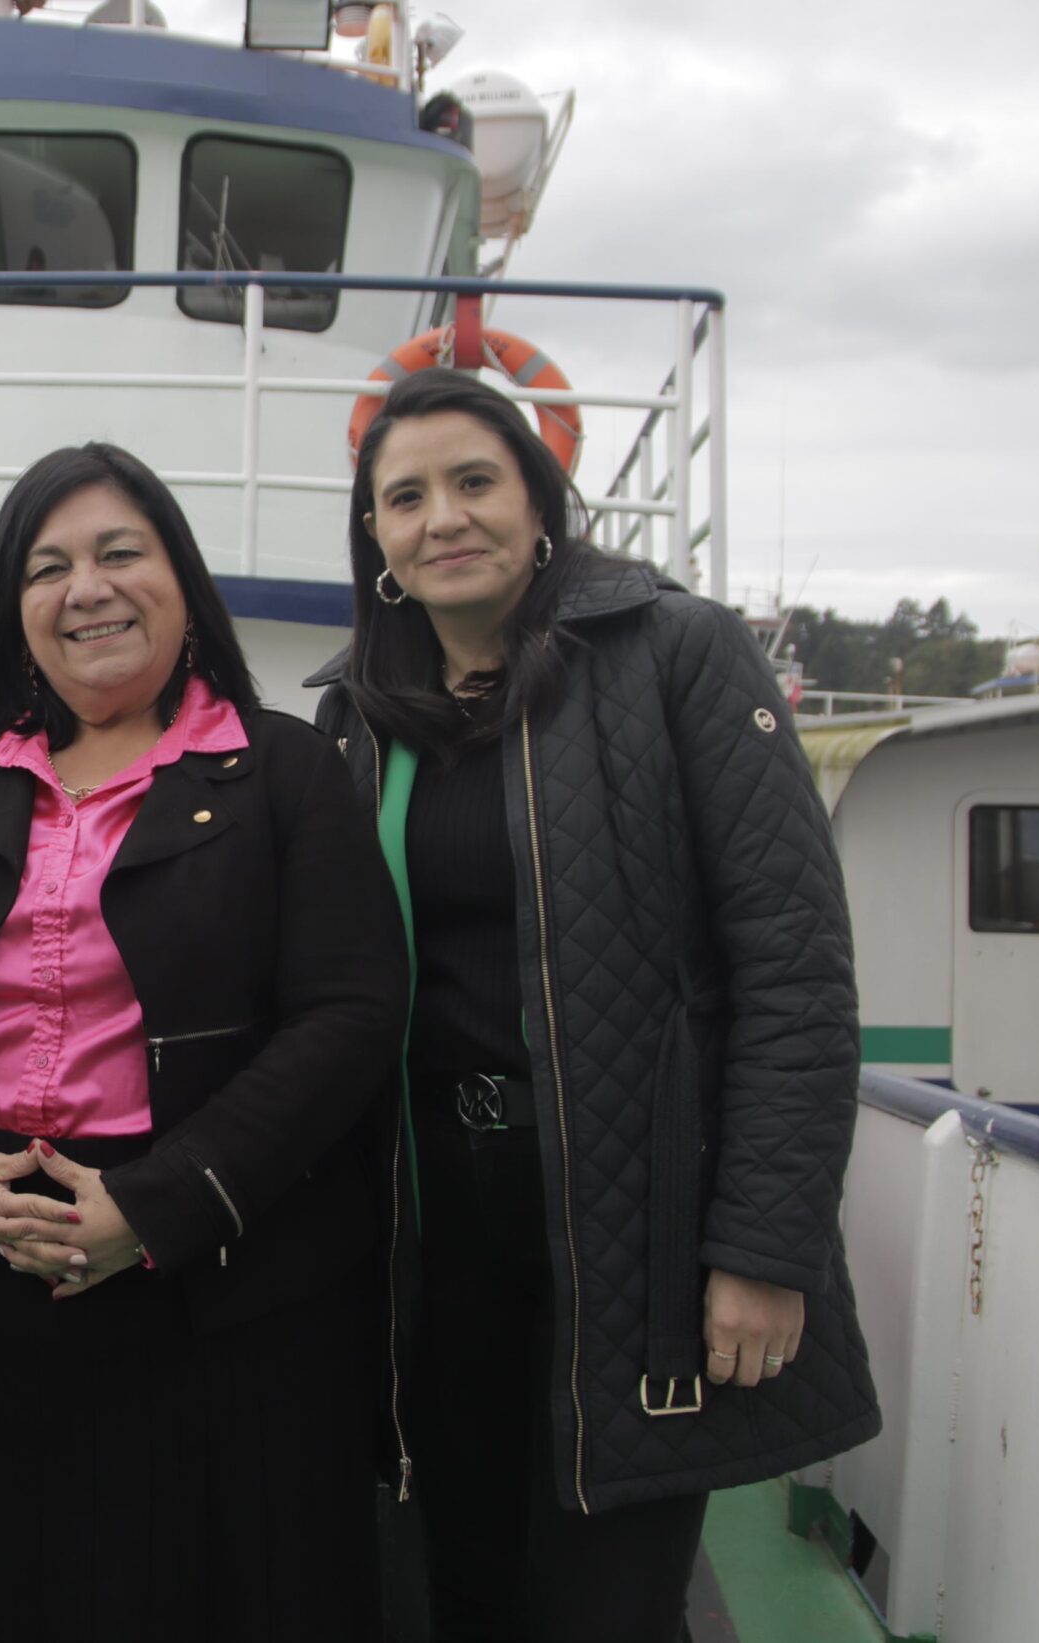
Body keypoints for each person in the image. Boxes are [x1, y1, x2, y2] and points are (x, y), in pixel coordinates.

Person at [307, 367, 880, 1642]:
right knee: (456, 1578)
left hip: (630, 1225)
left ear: (537, 502)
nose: (442, 517)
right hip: (430, 1225)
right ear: (378, 540)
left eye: (473, 482)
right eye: (405, 497)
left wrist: (763, 1248)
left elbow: (791, 965)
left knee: (606, 1599)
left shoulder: (672, 651)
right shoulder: (361, 714)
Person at [0, 444, 407, 1637]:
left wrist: (164, 1205)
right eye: (48, 566)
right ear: (11, 609)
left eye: (119, 553)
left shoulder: (278, 769)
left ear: (180, 580)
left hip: (202, 1292)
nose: (86, 587)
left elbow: (351, 1011)